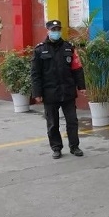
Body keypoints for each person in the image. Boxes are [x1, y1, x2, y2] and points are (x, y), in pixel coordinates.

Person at [31, 20, 87, 159]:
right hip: (49, 93)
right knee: (53, 123)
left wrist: (81, 86)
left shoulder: (69, 48)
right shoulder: (40, 50)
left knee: (72, 121)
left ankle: (74, 146)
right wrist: (37, 93)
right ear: (48, 31)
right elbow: (35, 74)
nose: (56, 32)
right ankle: (56, 148)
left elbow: (77, 68)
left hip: (67, 91)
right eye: (53, 30)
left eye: (58, 29)